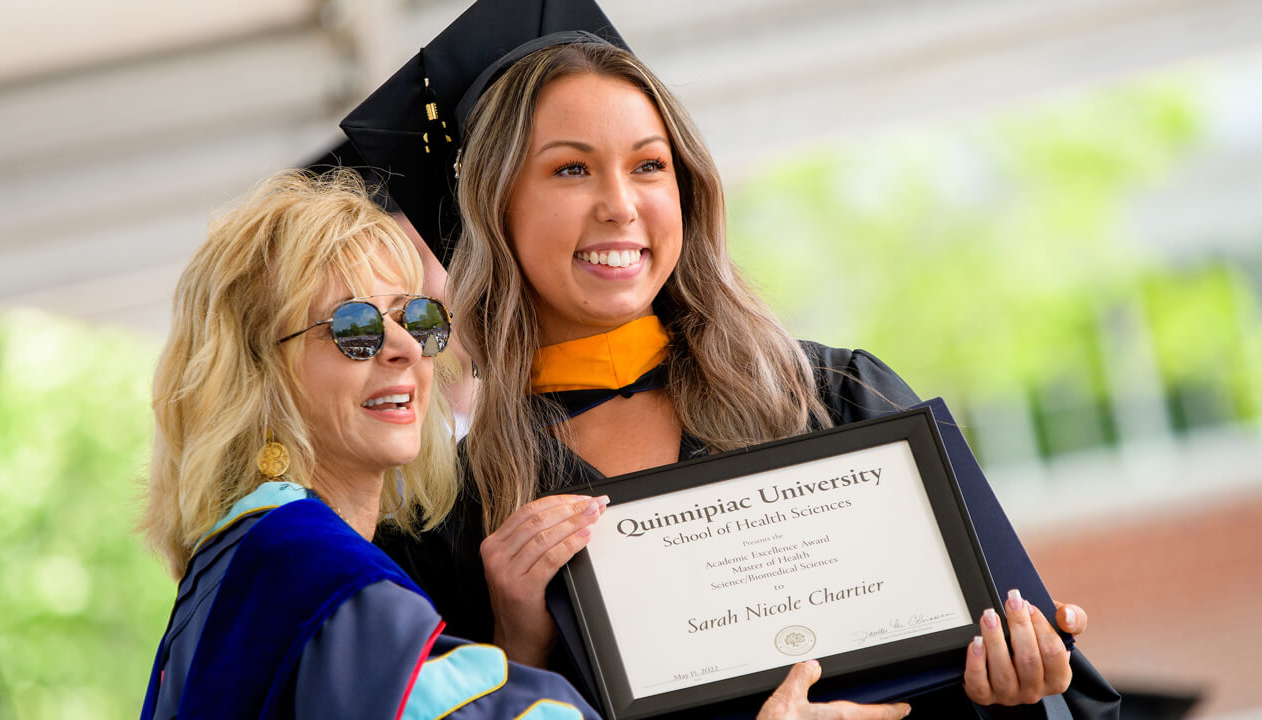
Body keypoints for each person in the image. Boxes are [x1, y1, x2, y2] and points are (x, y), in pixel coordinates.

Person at [343, 1, 1121, 717]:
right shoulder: (453, 521)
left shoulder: (834, 395)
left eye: (649, 165)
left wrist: (1019, 696)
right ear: (493, 208)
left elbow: (1058, 696)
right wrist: (519, 645)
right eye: (571, 169)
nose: (622, 204)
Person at [136, 169, 599, 719]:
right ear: (257, 374)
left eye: (416, 316)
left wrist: (517, 643)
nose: (405, 346)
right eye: (354, 328)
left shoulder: (235, 569)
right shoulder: (311, 568)